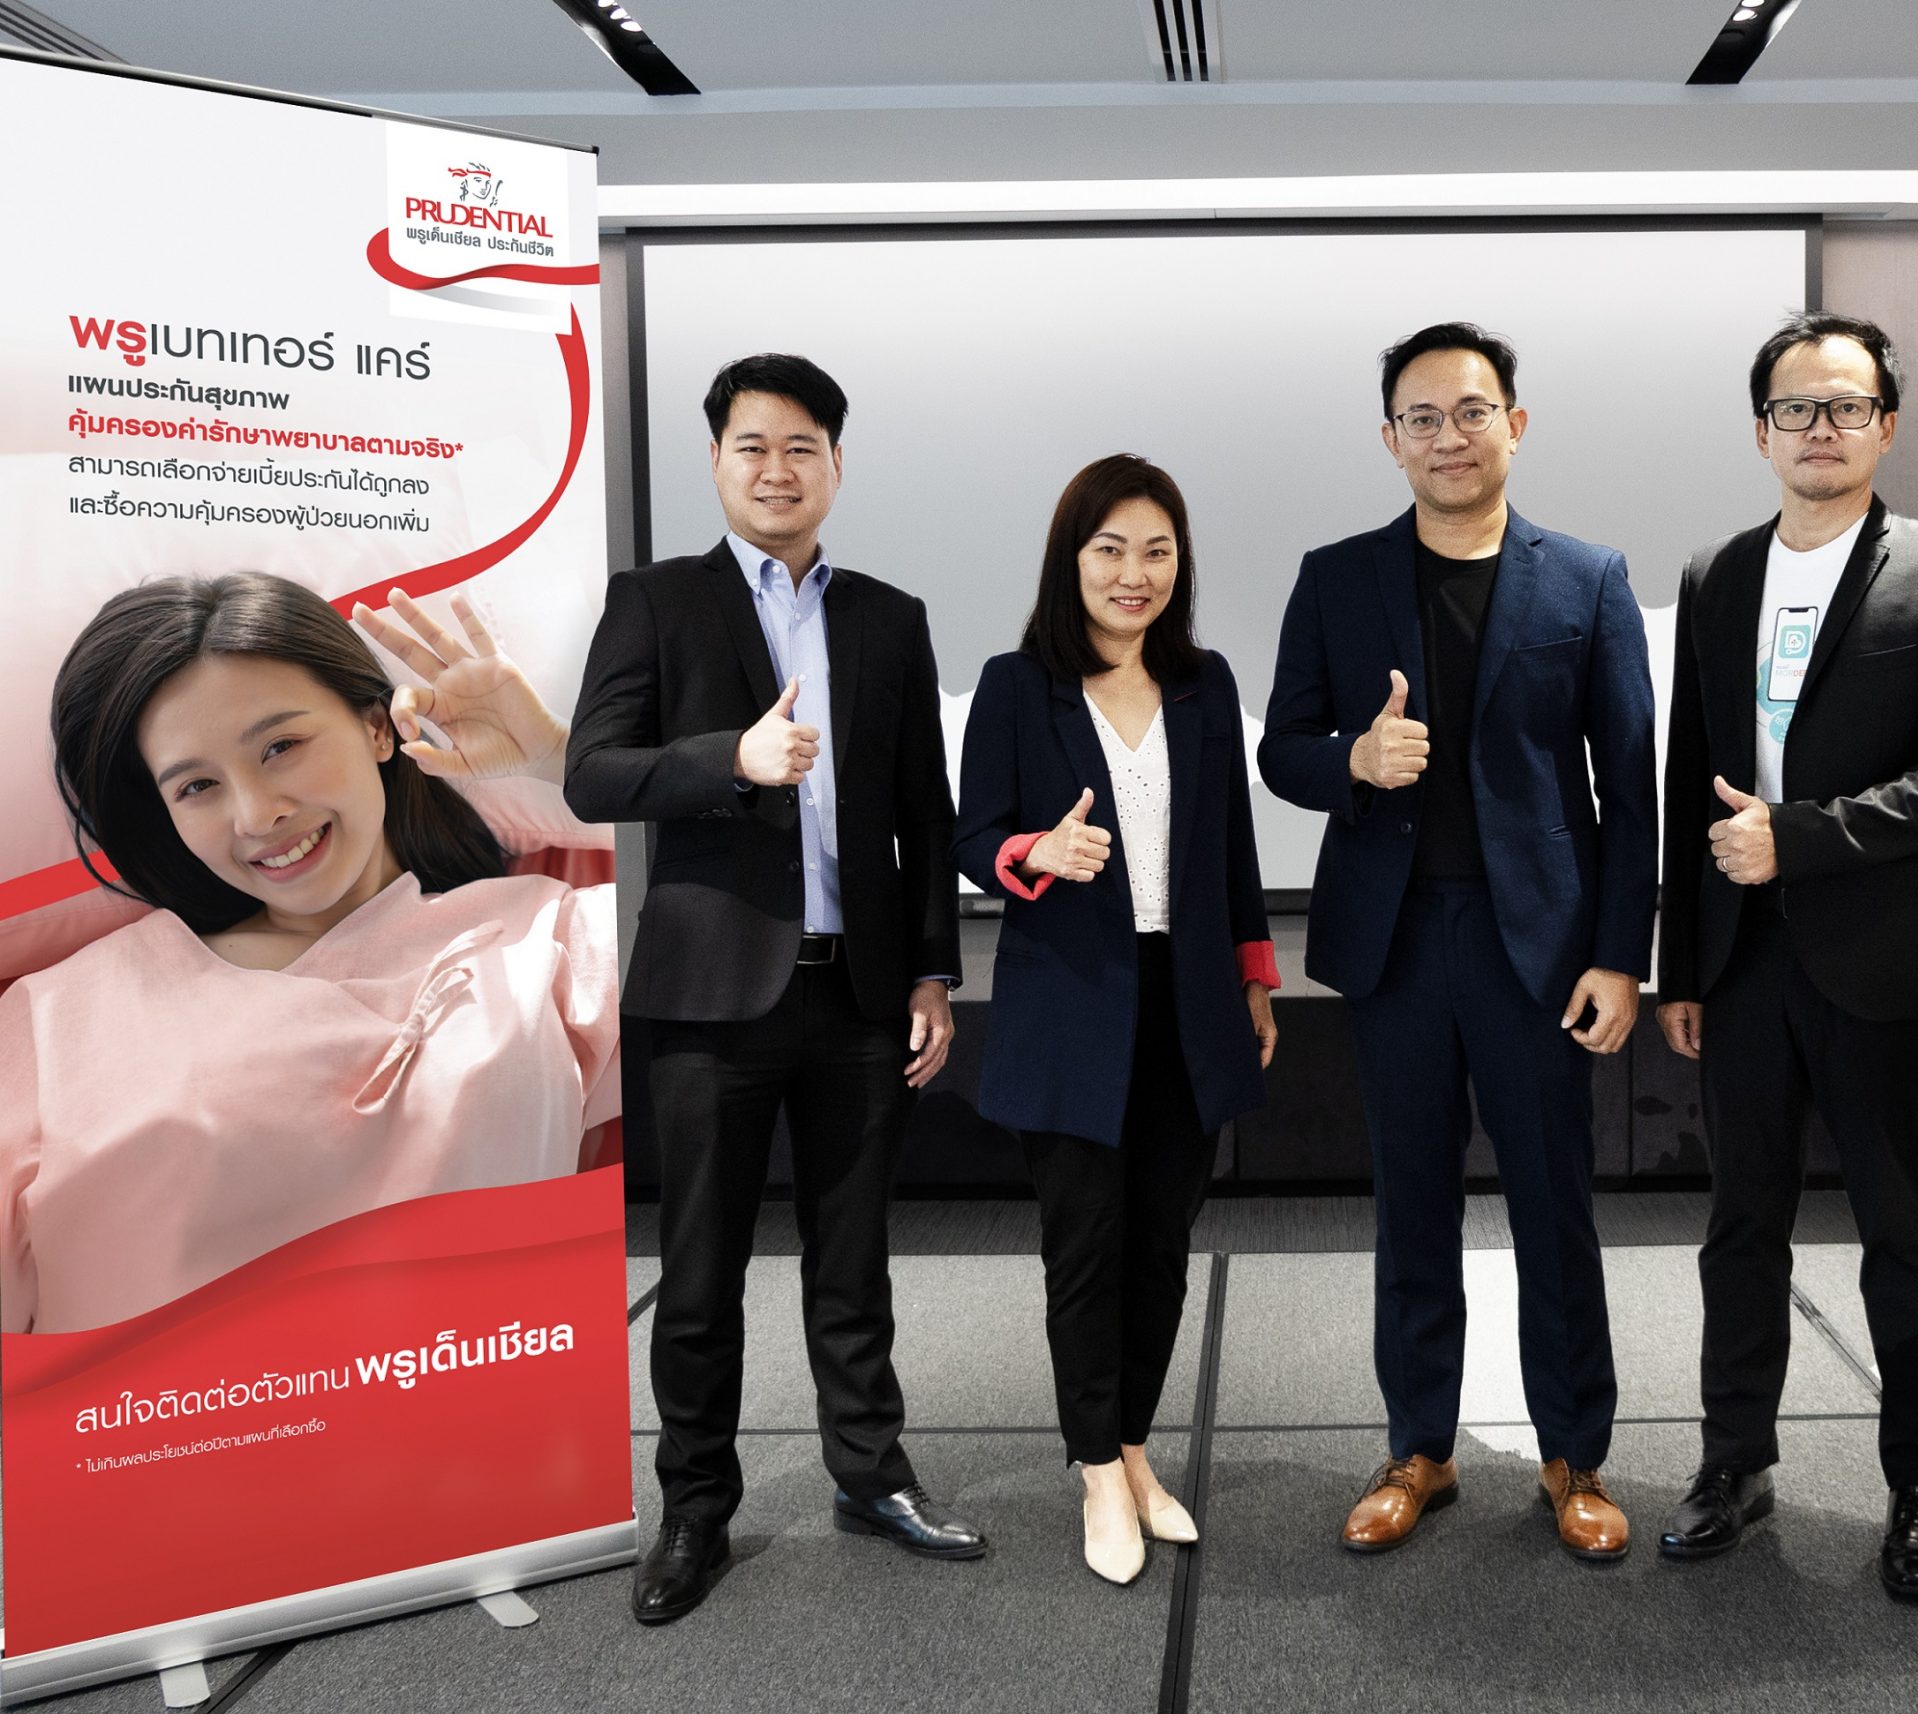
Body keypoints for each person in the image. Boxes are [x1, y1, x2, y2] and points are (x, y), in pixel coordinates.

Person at [565, 352, 982, 1627]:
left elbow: (924, 813)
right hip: (711, 1000)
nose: (777, 469)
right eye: (752, 446)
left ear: (836, 465)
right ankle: (695, 1506)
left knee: (854, 1262)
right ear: (715, 461)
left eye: (802, 446)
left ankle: (871, 1474)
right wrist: (730, 760)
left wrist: (931, 971)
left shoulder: (888, 616)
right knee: (699, 1272)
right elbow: (593, 773)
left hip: (858, 994)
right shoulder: (656, 601)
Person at [1261, 322, 1656, 1562]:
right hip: (1393, 943)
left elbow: (1629, 783)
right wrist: (1354, 759)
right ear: (1390, 440)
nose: (1448, 437)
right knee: (1411, 1203)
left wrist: (1620, 954)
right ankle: (1418, 1449)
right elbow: (1281, 749)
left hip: (1534, 947)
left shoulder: (1586, 578)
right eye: (1421, 418)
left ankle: (1574, 1454)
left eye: (1471, 412)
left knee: (1554, 1204)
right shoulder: (1336, 578)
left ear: (1513, 426)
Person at [2, 573, 616, 1335]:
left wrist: (566, 763)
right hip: (162, 1406)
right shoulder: (56, 1016)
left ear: (377, 728)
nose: (257, 814)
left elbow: (758, 916)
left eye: (281, 747)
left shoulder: (553, 942)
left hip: (465, 1398)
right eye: (197, 786)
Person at [1655, 311, 1918, 1601]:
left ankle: (1917, 1493)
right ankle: (1732, 1464)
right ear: (1761, 431)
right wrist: (1681, 964)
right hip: (1741, 962)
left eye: (1846, 406)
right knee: (1738, 1227)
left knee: (1901, 1236)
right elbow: (1685, 774)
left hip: (1881, 960)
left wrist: (1798, 840)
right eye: (1795, 408)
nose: (1820, 427)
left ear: (1885, 426)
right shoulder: (1715, 573)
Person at [953, 454, 1280, 1585]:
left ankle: (1135, 1447)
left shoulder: (1203, 683)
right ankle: (1096, 1468)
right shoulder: (1016, 684)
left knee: (1162, 1247)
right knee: (1085, 1247)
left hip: (1189, 1005)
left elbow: (1233, 850)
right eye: (1110, 550)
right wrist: (1032, 851)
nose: (1134, 573)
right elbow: (972, 836)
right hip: (1070, 1008)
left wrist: (1254, 977)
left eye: (1156, 551)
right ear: (1072, 559)